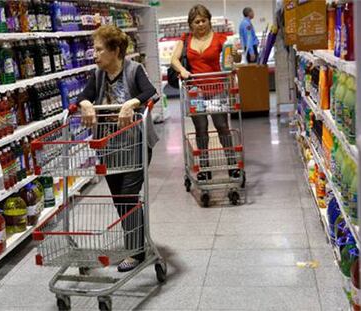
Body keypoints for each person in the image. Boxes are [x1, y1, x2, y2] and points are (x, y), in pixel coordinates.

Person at [77, 25, 159, 272]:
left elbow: (150, 92)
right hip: (110, 148)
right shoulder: (98, 74)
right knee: (120, 200)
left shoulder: (134, 70)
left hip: (136, 145)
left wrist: (131, 103)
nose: (95, 55)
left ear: (115, 50)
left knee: (127, 196)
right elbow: (83, 95)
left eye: (99, 49)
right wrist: (85, 104)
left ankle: (136, 252)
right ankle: (136, 245)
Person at [170, 4, 240, 181]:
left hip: (217, 88)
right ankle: (204, 166)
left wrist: (236, 55)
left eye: (203, 20)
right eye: (196, 21)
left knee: (221, 126)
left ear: (209, 21)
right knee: (200, 128)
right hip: (196, 91)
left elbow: (234, 57)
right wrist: (183, 70)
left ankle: (232, 164)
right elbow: (174, 59)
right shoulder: (185, 39)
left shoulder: (220, 39)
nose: (200, 24)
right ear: (190, 24)